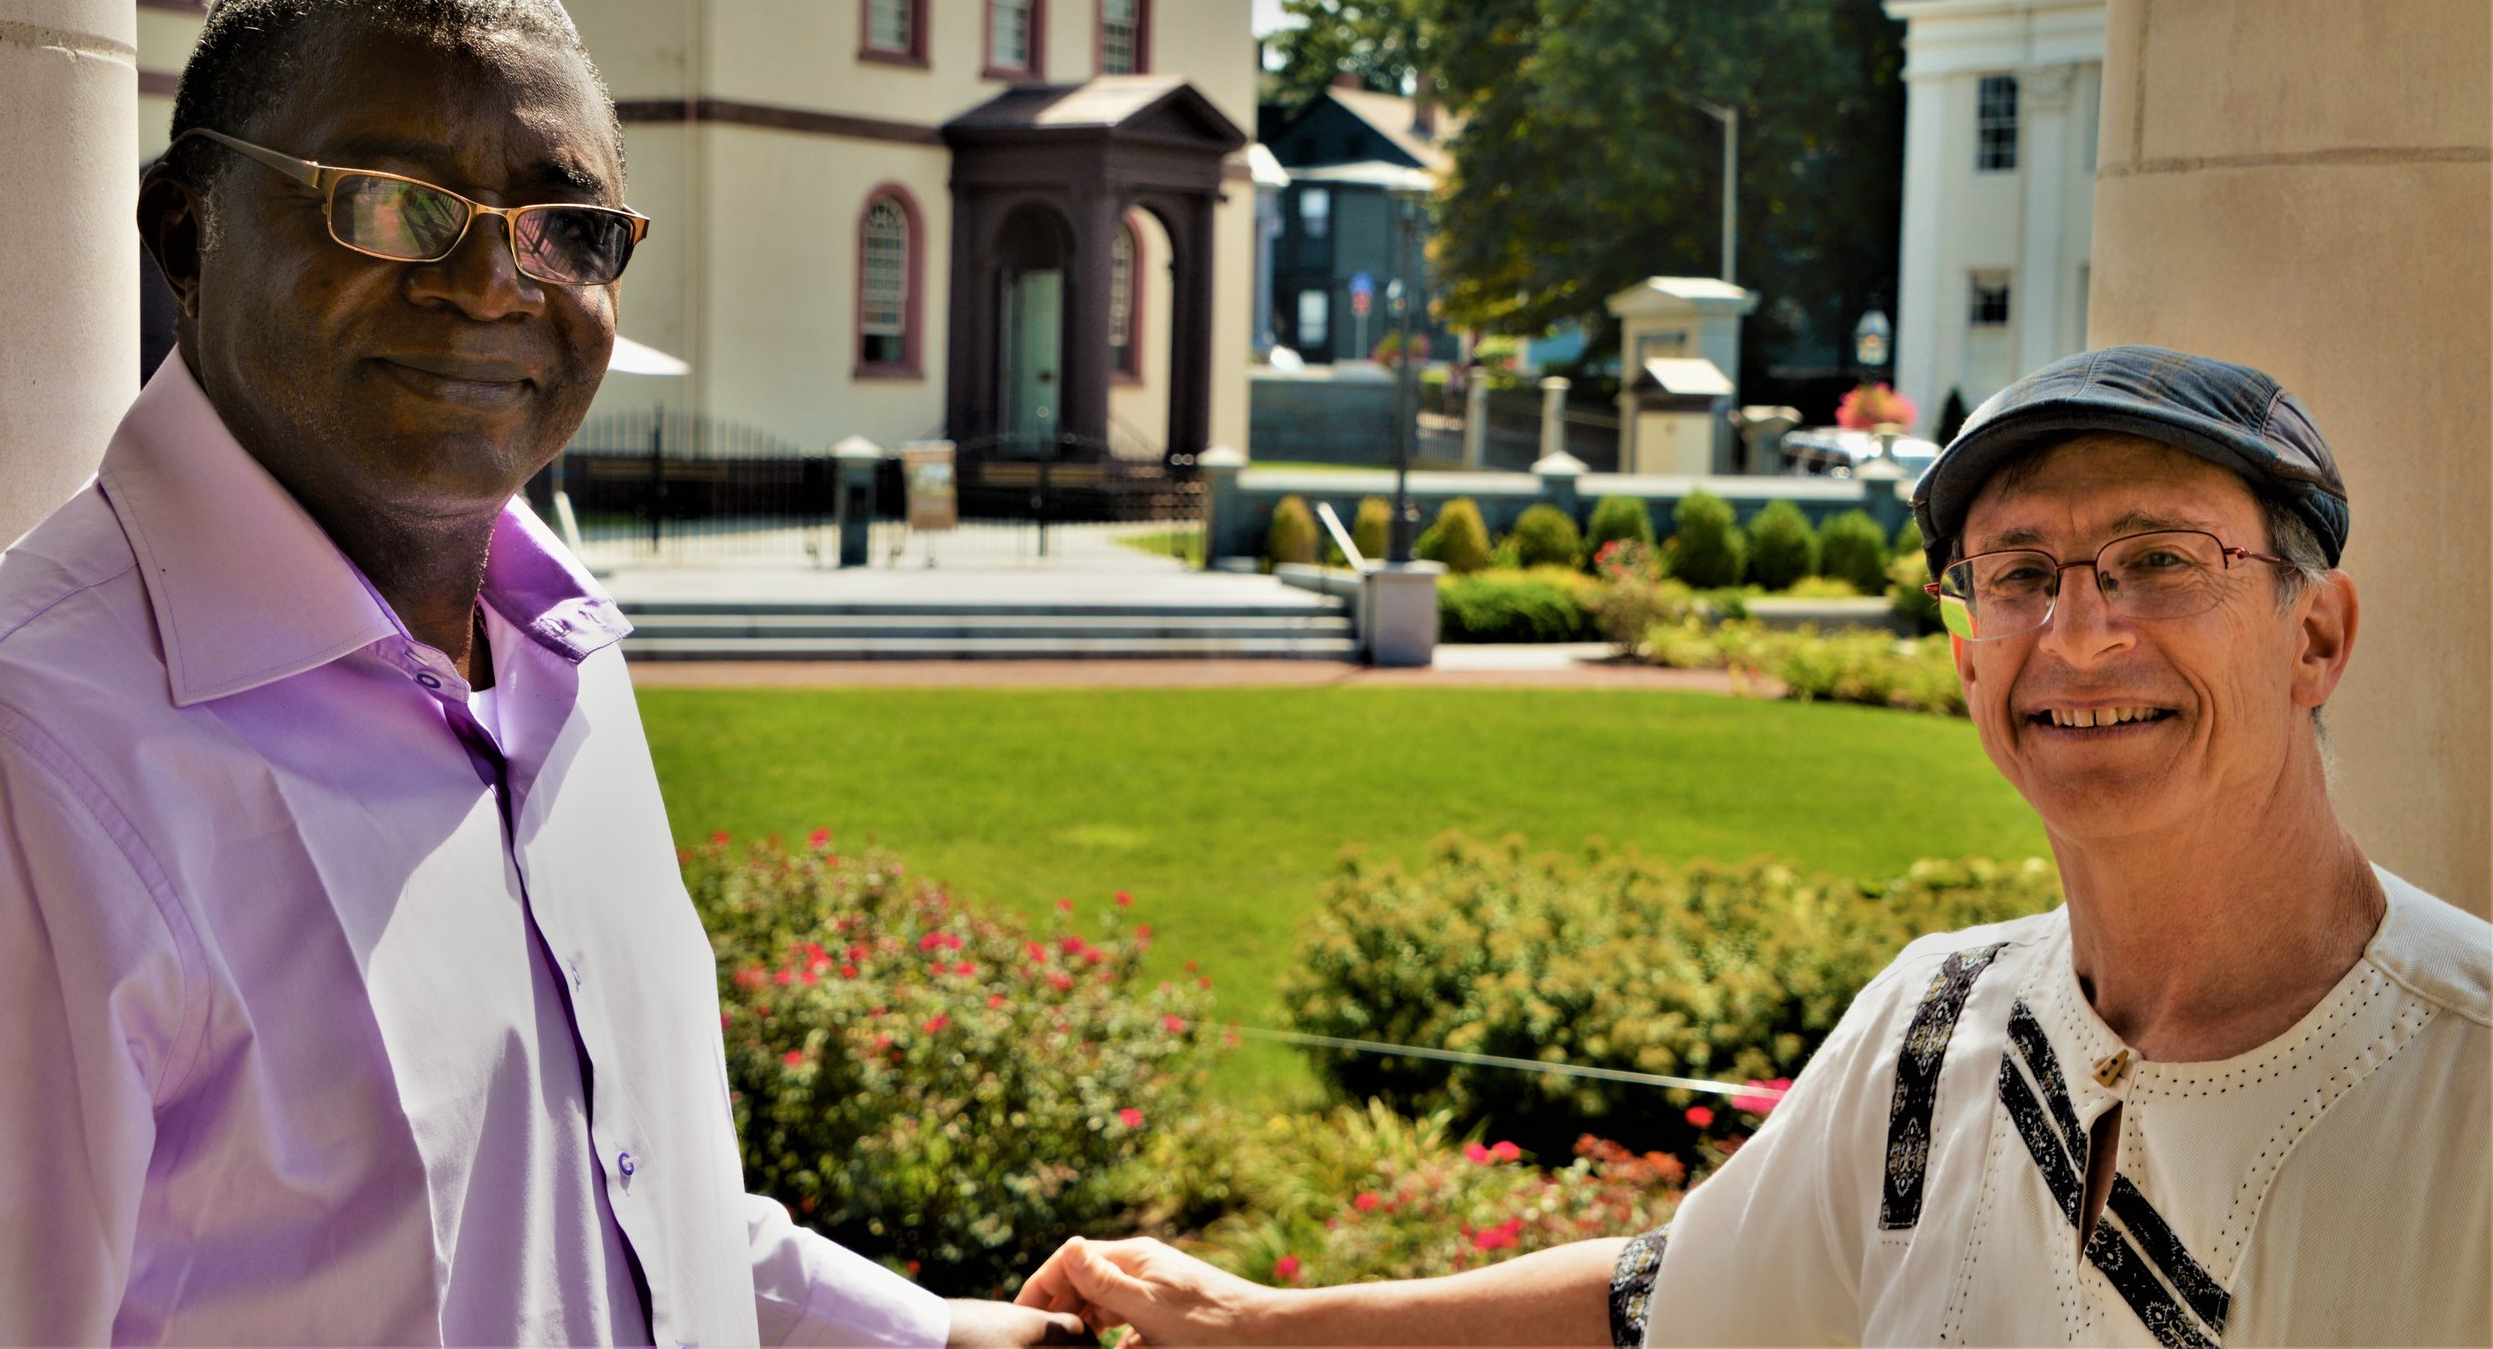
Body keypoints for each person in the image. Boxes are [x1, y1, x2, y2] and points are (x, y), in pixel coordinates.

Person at [0, 0, 1085, 1347]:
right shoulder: (40, 750)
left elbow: (600, 1177)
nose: (491, 283)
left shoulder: (559, 657)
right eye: (385, 197)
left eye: (565, 227)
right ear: (184, 232)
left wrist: (934, 1335)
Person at [1016, 347, 2491, 1346]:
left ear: (2317, 633)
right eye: (2021, 573)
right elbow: (1663, 1306)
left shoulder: (2468, 1082)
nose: (2078, 630)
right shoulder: (1934, 1019)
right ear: (1972, 660)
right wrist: (1261, 1324)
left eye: (2159, 559)